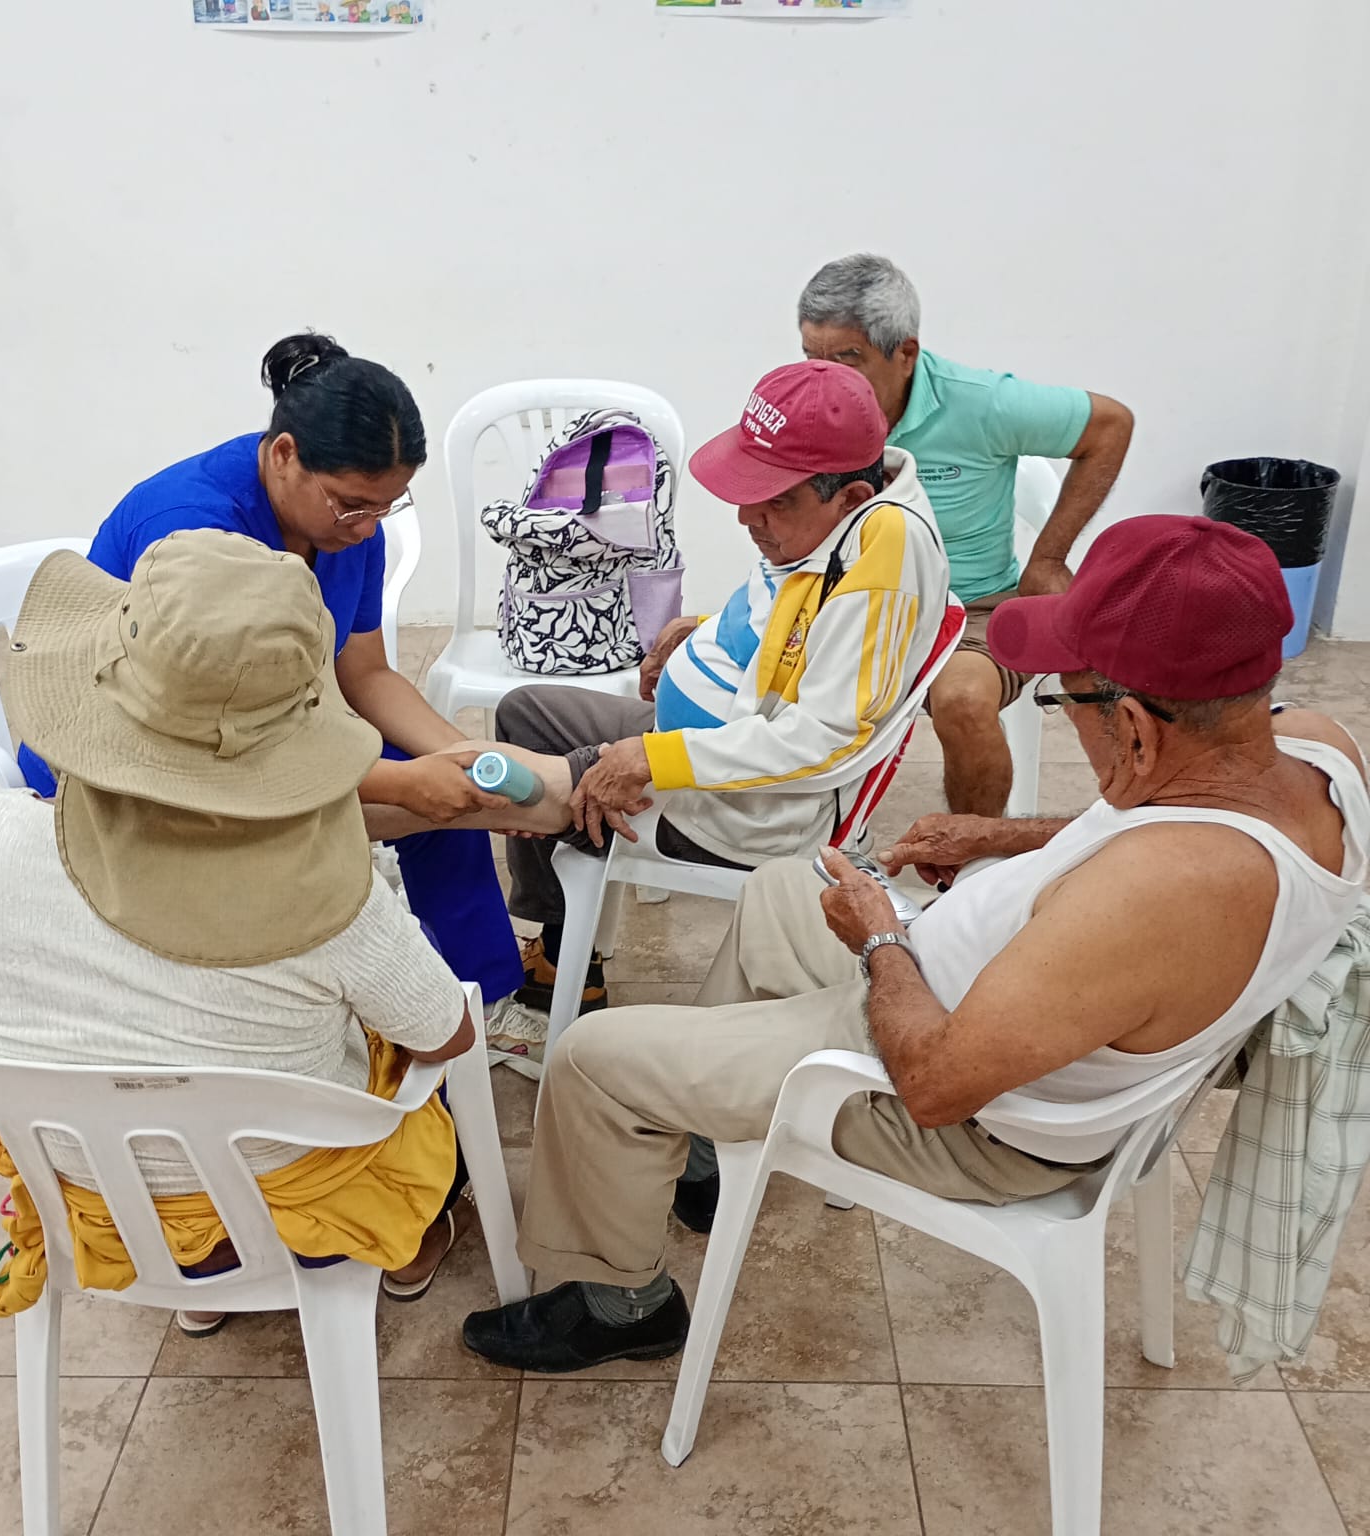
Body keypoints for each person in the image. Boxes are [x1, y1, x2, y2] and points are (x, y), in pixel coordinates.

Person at [461, 515, 1369, 1373]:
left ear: (1132, 726)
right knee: (783, 888)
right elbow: (1153, 817)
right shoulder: (1311, 750)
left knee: (591, 1059)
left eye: (1064, 698)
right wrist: (1000, 837)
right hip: (969, 997)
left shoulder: (1161, 895)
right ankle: (701, 1148)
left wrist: (881, 940)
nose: (1063, 712)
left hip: (951, 1102)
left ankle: (622, 1305)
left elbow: (936, 1085)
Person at [0, 530, 483, 1333]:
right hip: (286, 1201)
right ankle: (410, 1246)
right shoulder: (327, 898)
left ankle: (199, 1296)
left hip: (87, 1194)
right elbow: (447, 1034)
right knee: (397, 1039)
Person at [15, 332, 530, 1032]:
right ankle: (336, 1011)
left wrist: (465, 761)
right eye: (353, 504)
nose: (368, 527)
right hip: (139, 761)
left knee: (448, 801)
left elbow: (365, 674)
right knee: (378, 815)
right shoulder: (195, 534)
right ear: (284, 454)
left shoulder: (348, 529)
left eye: (387, 506)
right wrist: (405, 785)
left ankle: (481, 1001)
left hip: (253, 736)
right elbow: (208, 746)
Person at [493, 361, 951, 1054]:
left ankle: (547, 997)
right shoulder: (838, 520)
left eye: (772, 502)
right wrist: (703, 632)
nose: (745, 517)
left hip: (744, 808)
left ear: (851, 495)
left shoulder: (881, 560)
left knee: (518, 785)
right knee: (525, 716)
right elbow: (802, 629)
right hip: (706, 748)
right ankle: (565, 964)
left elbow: (826, 738)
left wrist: (656, 758)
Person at [799, 253, 1135, 817]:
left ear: (905, 353)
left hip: (967, 610)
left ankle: (971, 853)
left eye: (848, 359)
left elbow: (1110, 425)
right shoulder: (802, 404)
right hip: (843, 602)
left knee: (964, 701)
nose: (825, 379)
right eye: (812, 357)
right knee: (736, 675)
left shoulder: (980, 402)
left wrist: (1048, 557)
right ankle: (801, 839)